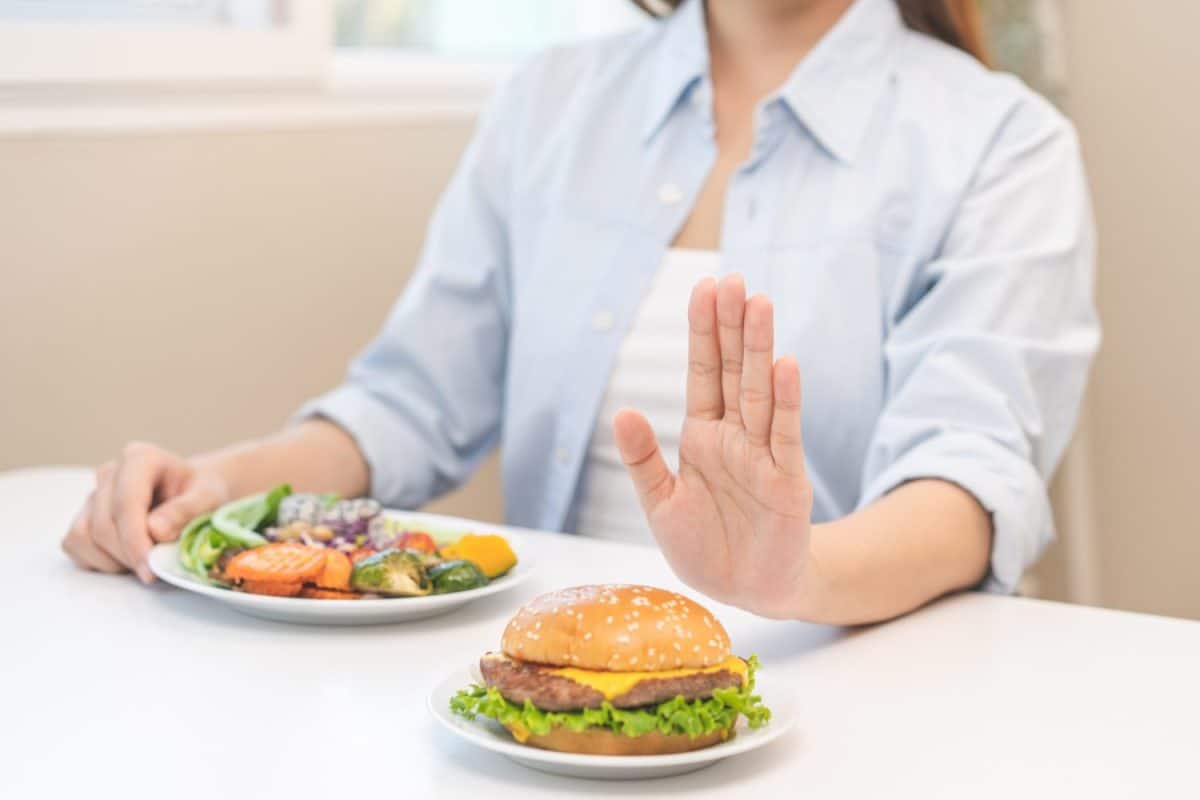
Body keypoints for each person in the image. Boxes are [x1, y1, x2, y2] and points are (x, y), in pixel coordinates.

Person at [61, 0, 1098, 624]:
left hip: (842, 702)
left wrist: (797, 573)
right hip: (549, 705)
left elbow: (969, 482)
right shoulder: (548, 103)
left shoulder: (1005, 145)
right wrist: (224, 486)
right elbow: (411, 402)